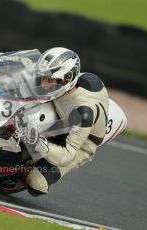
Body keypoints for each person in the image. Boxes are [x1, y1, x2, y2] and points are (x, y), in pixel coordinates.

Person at [23, 47, 109, 196]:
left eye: (50, 80)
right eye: (43, 76)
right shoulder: (59, 83)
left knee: (36, 183)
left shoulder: (83, 112)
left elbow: (67, 154)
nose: (43, 83)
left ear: (67, 79)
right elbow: (26, 66)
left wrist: (39, 142)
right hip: (62, 119)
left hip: (81, 141)